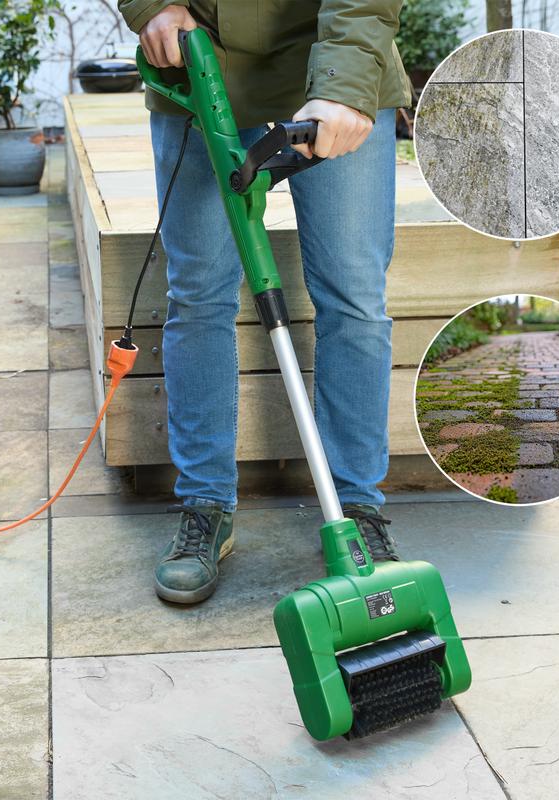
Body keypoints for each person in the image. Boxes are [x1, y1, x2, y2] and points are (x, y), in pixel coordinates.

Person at [118, 0, 412, 604]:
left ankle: (356, 507)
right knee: (198, 297)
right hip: (200, 61)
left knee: (355, 298)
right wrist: (151, 5)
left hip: (330, 69)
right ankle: (206, 503)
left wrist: (345, 85)